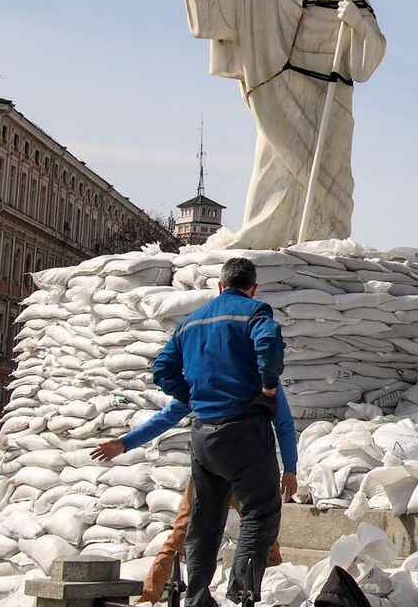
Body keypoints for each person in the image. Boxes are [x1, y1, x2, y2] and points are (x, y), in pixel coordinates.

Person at [140, 0, 388, 249]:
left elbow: (369, 59)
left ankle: (323, 237)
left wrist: (358, 23)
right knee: (274, 165)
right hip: (283, 93)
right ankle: (263, 236)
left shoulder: (354, 1)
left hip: (333, 96)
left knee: (333, 172)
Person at [150, 257, 285, 607]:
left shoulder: (191, 322)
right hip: (244, 431)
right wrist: (268, 387)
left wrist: (192, 397)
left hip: (203, 436)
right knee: (259, 511)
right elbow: (269, 346)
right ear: (252, 287)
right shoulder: (255, 312)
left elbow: (162, 369)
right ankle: (241, 594)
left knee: (205, 520)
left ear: (219, 286)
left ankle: (196, 597)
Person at [91, 388, 298, 604]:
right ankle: (155, 595)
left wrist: (126, 443)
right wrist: (125, 443)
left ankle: (261, 589)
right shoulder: (240, 374)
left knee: (256, 532)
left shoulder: (216, 373)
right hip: (241, 460)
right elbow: (282, 421)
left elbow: (169, 413)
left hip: (216, 459)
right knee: (247, 528)